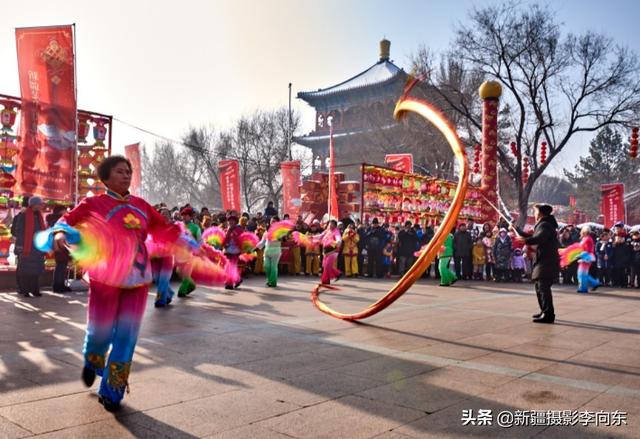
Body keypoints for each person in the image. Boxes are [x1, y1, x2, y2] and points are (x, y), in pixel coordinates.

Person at [52, 155, 180, 410]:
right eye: (120, 171)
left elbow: (164, 229)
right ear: (106, 177)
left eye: (128, 171)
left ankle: (112, 391)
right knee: (100, 330)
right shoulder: (93, 203)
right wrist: (59, 232)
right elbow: (66, 220)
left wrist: (191, 244)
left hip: (138, 277)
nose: (126, 175)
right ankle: (93, 360)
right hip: (106, 276)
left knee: (127, 335)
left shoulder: (142, 205)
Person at [512, 204, 560, 324]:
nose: (534, 213)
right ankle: (544, 310)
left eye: (535, 211)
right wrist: (518, 231)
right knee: (539, 286)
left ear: (541, 213)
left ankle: (548, 314)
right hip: (544, 259)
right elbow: (534, 236)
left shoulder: (545, 225)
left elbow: (540, 238)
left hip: (546, 260)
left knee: (543, 287)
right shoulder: (545, 224)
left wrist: (526, 241)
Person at [11, 197, 46, 297]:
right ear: (34, 205)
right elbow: (19, 231)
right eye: (40, 204)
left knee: (36, 270)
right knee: (26, 270)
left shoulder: (39, 215)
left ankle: (35, 289)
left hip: (37, 247)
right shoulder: (23, 215)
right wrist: (21, 246)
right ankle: (25, 290)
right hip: (27, 247)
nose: (41, 206)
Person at [46, 204, 72, 293]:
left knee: (62, 265)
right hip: (59, 244)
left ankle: (60, 284)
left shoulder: (55, 219)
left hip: (61, 244)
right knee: (60, 265)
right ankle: (57, 285)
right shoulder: (58, 220)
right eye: (65, 210)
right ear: (61, 211)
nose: (66, 211)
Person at [177, 207, 201, 297]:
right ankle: (191, 285)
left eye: (186, 216)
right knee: (179, 272)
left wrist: (198, 249)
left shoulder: (195, 228)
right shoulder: (179, 225)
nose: (184, 217)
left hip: (190, 254)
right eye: (183, 215)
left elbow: (200, 241)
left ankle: (182, 291)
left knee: (186, 273)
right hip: (179, 254)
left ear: (191, 217)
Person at [257, 216, 282, 287]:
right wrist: (254, 247)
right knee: (266, 266)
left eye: (274, 221)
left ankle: (273, 282)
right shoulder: (266, 231)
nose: (273, 222)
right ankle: (269, 279)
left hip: (276, 251)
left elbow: (283, 239)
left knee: (273, 267)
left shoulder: (281, 231)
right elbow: (262, 242)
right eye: (272, 221)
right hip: (267, 250)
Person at [222, 215, 243, 290]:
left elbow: (242, 240)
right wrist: (228, 232)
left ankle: (229, 283)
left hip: (236, 251)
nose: (230, 222)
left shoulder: (239, 230)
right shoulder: (225, 230)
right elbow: (223, 240)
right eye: (229, 221)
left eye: (232, 221)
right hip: (227, 251)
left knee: (232, 266)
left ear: (236, 222)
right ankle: (237, 280)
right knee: (228, 266)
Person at [320, 220, 342, 284]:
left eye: (332, 224)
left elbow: (339, 238)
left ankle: (326, 280)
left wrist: (338, 242)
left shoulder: (336, 231)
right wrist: (312, 237)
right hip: (325, 251)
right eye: (329, 224)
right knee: (325, 265)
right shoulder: (327, 231)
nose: (330, 225)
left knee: (327, 266)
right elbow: (320, 236)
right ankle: (337, 274)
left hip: (333, 251)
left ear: (335, 226)